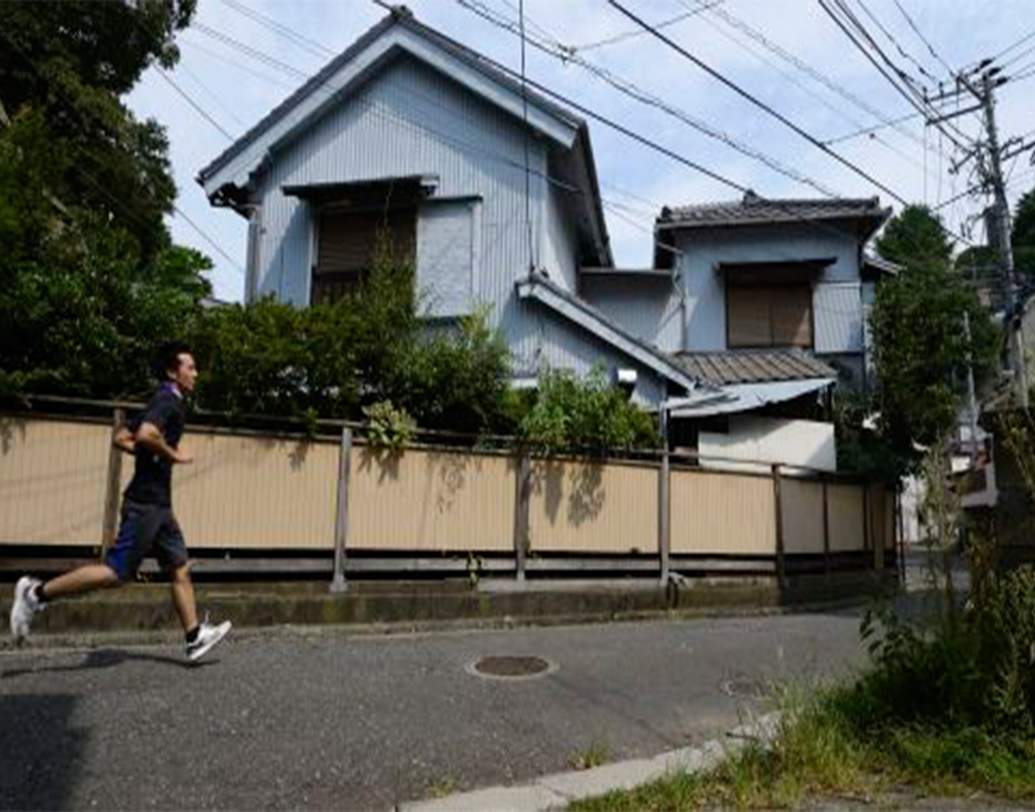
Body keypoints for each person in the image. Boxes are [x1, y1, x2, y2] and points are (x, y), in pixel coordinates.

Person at [9, 342, 232, 661]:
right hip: (145, 504)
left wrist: (153, 454)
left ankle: (194, 636)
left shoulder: (162, 398)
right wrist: (173, 455)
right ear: (173, 371)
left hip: (159, 505)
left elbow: (121, 437)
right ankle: (35, 593)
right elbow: (144, 435)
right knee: (115, 573)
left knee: (179, 566)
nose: (196, 373)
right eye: (190, 367)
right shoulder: (169, 401)